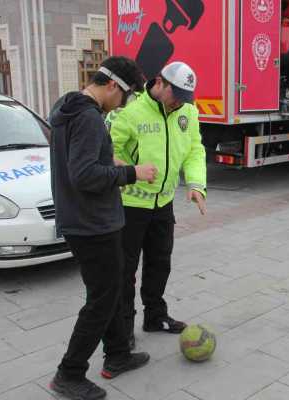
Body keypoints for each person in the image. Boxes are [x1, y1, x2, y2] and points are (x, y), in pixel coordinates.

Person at [48, 56, 156, 400]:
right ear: (112, 86)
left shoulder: (67, 107)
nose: (123, 105)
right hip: (93, 223)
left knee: (109, 292)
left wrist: (109, 160)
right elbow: (84, 176)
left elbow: (78, 161)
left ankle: (118, 355)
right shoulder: (90, 117)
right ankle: (69, 373)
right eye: (125, 97)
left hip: (82, 219)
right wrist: (131, 173)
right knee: (102, 299)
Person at [109, 61, 207, 349]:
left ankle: (156, 316)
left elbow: (194, 149)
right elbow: (109, 149)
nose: (179, 102)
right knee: (125, 271)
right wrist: (128, 169)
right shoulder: (132, 112)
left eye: (184, 97)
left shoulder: (187, 112)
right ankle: (124, 327)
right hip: (131, 205)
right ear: (159, 83)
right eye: (175, 94)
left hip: (163, 204)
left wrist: (196, 184)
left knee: (160, 263)